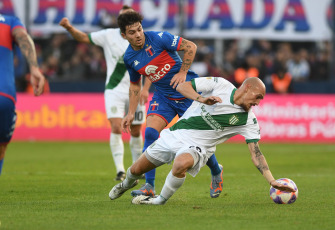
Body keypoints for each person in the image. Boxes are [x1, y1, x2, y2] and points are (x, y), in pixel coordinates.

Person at [109, 77, 297, 205]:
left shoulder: (248, 120)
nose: (258, 103)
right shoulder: (220, 84)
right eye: (258, 97)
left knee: (181, 163)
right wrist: (202, 99)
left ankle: (160, 200)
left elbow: (256, 154)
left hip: (198, 147)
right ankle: (125, 185)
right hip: (174, 135)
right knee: (135, 170)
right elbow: (182, 86)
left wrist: (271, 180)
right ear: (247, 88)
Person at [118, 11, 223, 198]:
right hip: (163, 97)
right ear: (124, 36)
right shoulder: (128, 57)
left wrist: (183, 72)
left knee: (198, 141)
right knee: (150, 132)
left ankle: (216, 171)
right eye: (132, 32)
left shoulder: (159, 38)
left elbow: (191, 46)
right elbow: (135, 85)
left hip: (188, 94)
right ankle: (149, 186)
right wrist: (131, 112)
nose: (138, 35)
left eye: (139, 29)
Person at [59, 5, 148, 181]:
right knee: (116, 126)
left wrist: (145, 89)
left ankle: (137, 168)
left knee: (136, 131)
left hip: (135, 91)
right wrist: (69, 28)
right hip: (114, 89)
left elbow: (151, 66)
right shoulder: (108, 35)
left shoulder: (142, 38)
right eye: (125, 17)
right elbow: (83, 37)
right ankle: (120, 170)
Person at [0, 14, 45, 175]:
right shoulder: (10, 22)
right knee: (1, 146)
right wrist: (34, 68)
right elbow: (23, 38)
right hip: (4, 95)